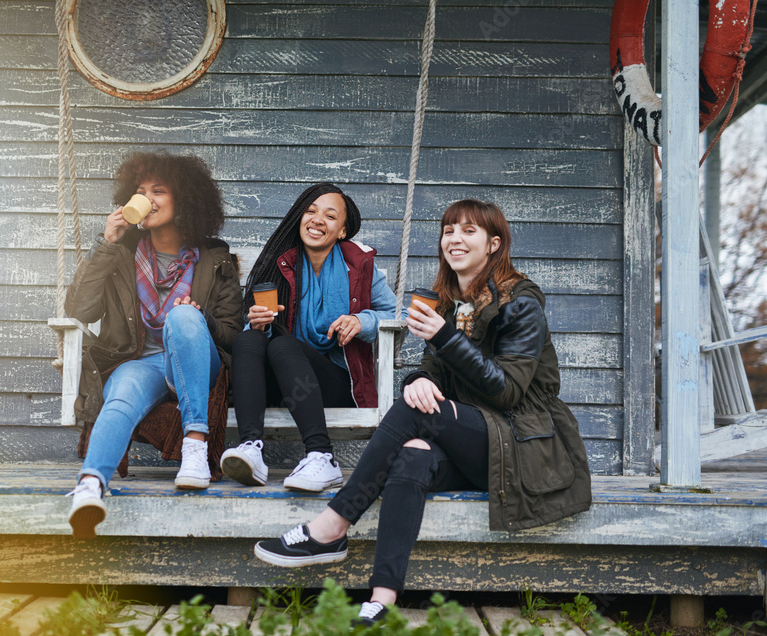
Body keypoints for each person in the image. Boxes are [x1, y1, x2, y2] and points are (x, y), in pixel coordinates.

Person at [252, 199, 592, 625]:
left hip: (521, 444)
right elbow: (430, 372)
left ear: (494, 244)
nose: (455, 239)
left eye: (469, 231)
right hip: (474, 443)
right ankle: (382, 597)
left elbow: (507, 391)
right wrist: (418, 380)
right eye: (449, 230)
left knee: (418, 418)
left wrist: (445, 339)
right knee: (413, 450)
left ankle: (332, 525)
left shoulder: (520, 303)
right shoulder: (449, 305)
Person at [65, 150, 243, 539]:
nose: (147, 198)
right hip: (141, 362)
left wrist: (199, 316)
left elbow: (232, 335)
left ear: (185, 200)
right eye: (141, 190)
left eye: (158, 190)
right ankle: (90, 487)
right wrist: (106, 244)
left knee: (182, 317)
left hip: (196, 361)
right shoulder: (121, 254)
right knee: (122, 395)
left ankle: (195, 447)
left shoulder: (215, 258)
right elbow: (80, 308)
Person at [221, 183, 396, 492]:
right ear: (298, 218)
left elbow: (400, 315)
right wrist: (257, 325)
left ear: (342, 230)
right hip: (281, 382)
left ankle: (321, 456)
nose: (317, 220)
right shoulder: (279, 262)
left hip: (336, 383)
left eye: (329, 216)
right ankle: (251, 447)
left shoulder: (360, 267)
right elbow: (256, 339)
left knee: (283, 343)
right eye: (310, 211)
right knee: (249, 340)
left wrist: (362, 320)